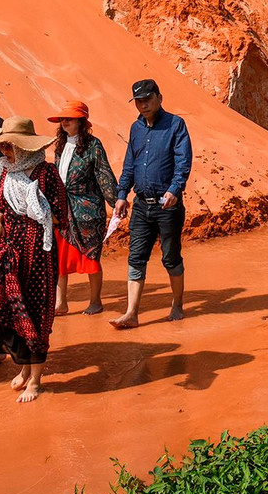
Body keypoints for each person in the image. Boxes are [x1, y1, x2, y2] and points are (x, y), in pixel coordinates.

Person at [0, 117, 69, 403]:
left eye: (10, 146)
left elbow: (60, 215)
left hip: (38, 252)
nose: (5, 151)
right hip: (10, 249)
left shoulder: (47, 173)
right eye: (3, 145)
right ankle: (25, 367)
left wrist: (36, 209)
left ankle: (36, 381)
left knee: (36, 311)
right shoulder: (6, 172)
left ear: (25, 147)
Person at [110, 79, 192, 329]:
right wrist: (122, 194)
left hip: (167, 206)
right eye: (138, 101)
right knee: (136, 258)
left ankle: (177, 304)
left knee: (170, 257)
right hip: (141, 206)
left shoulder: (176, 125)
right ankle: (131, 313)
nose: (143, 105)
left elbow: (183, 161)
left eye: (147, 99)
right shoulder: (136, 128)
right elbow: (129, 165)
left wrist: (175, 189)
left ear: (159, 97)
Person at [49, 101, 119, 316]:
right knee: (60, 257)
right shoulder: (60, 145)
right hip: (62, 210)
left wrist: (116, 202)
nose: (65, 122)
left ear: (81, 121)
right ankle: (61, 303)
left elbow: (104, 175)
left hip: (88, 211)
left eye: (69, 118)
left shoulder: (93, 145)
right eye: (63, 118)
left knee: (91, 257)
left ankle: (96, 301)